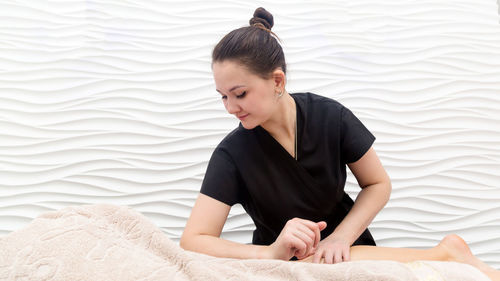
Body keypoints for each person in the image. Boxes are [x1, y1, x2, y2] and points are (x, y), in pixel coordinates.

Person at [180, 7, 499, 280]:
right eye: (223, 97)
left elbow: (378, 183)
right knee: (302, 266)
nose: (230, 107)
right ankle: (445, 252)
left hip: (348, 248)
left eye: (240, 94)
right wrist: (269, 252)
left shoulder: (330, 117)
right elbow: (194, 239)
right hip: (285, 263)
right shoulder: (232, 153)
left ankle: (447, 253)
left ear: (277, 81)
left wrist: (341, 238)